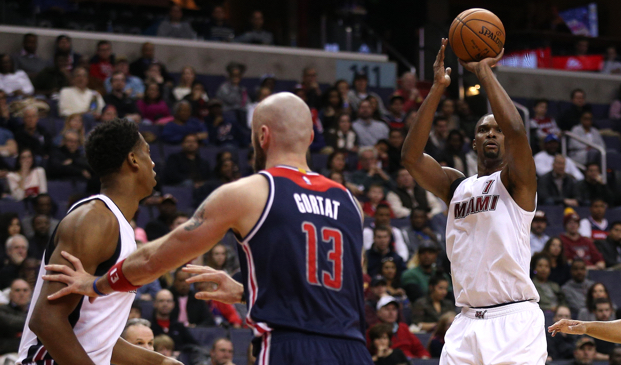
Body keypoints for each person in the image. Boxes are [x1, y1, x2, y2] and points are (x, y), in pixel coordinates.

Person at [41, 92, 376, 365]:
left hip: (291, 348)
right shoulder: (350, 204)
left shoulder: (249, 192)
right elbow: (339, 289)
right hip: (355, 350)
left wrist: (97, 284)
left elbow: (154, 261)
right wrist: (250, 291)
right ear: (311, 137)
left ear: (263, 136)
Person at [401, 39, 547, 363]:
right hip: (465, 322)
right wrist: (438, 87)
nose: (492, 134)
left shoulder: (517, 182)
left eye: (497, 130)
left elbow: (518, 130)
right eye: (484, 130)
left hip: (514, 321)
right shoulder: (456, 185)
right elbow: (411, 158)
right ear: (473, 141)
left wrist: (484, 72)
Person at [16, 118, 179, 365]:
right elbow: (46, 321)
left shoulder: (116, 225)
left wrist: (159, 362)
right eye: (147, 153)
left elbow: (94, 338)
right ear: (133, 160)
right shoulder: (95, 220)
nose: (153, 162)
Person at [0, 278, 31, 355]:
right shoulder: (2, 310)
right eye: (17, 290)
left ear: (30, 293)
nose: (21, 294)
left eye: (25, 290)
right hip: (7, 354)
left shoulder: (34, 311)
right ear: (10, 294)